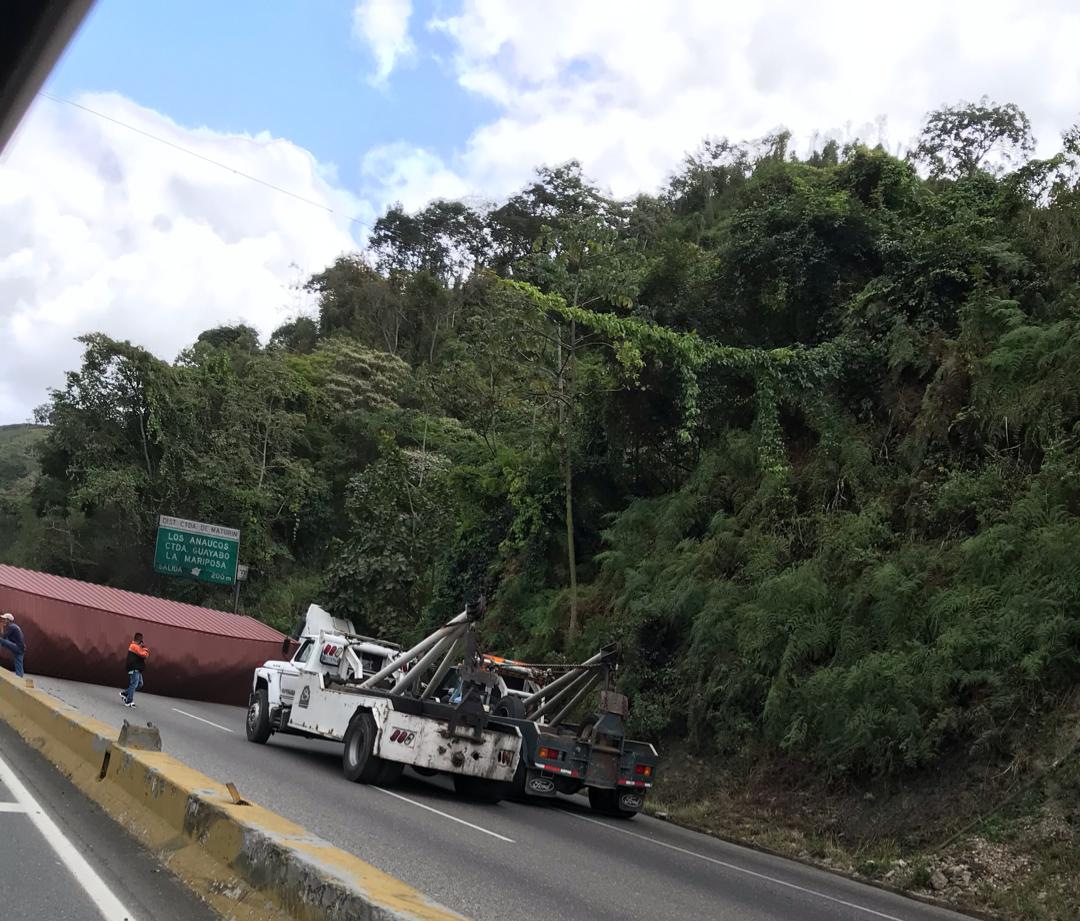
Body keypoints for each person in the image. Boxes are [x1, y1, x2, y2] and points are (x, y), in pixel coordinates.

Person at [120, 632, 149, 707]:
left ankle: (125, 693)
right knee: (134, 684)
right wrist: (145, 648)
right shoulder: (134, 646)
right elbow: (144, 655)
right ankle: (129, 701)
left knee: (140, 684)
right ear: (139, 640)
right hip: (134, 668)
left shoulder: (137, 647)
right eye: (141, 640)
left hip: (137, 669)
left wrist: (142, 648)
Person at [0, 612, 25, 678]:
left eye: (4, 619)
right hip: (21, 649)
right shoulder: (15, 626)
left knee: (0, 640)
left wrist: (1, 627)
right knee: (19, 665)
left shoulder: (11, 627)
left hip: (17, 647)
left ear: (8, 620)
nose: (2, 620)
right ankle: (20, 679)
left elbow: (3, 637)